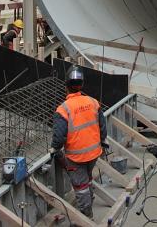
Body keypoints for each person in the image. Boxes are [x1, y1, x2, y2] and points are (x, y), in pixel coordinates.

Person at [50, 67, 108, 219]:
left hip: (76, 158)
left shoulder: (63, 109)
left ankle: (86, 216)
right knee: (87, 179)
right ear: (82, 85)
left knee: (80, 186)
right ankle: (90, 199)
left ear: (66, 86)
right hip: (94, 153)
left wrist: (54, 149)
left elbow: (58, 137)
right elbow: (103, 126)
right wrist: (103, 141)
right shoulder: (93, 102)